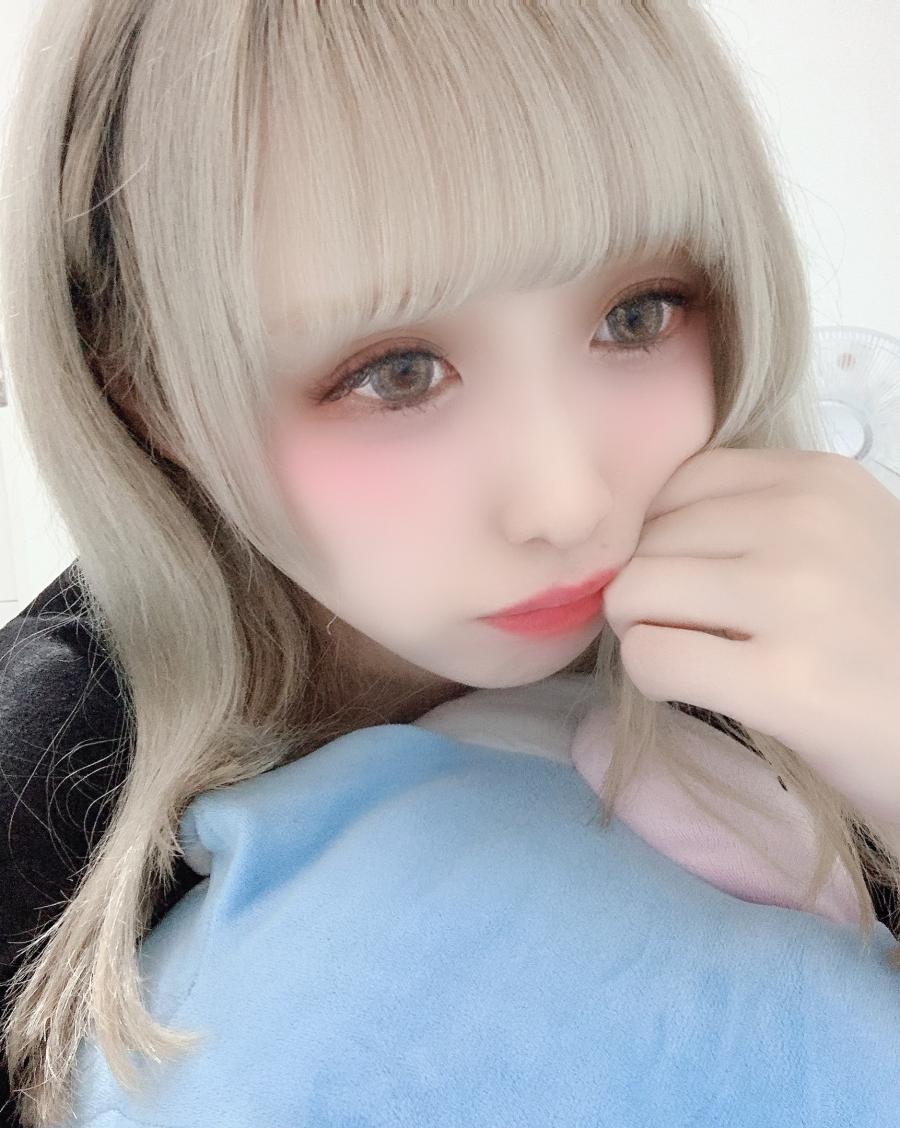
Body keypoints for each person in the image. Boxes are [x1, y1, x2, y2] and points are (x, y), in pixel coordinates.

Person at [0, 2, 898, 1126]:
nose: (570, 501)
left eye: (637, 316)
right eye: (399, 374)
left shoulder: (799, 618)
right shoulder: (40, 779)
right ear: (150, 397)